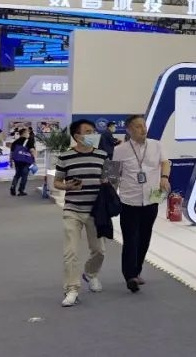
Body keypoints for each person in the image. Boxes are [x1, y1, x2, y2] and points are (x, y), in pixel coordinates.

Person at [54, 119, 108, 307]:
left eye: (93, 131)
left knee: (99, 251)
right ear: (77, 136)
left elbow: (111, 179)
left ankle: (91, 274)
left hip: (96, 211)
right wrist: (67, 186)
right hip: (73, 210)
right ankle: (72, 289)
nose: (93, 135)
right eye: (88, 132)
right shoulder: (65, 157)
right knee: (71, 252)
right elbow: (57, 182)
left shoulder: (102, 155)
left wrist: (108, 182)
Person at [115, 114, 171, 293]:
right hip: (129, 200)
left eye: (144, 125)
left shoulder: (156, 145)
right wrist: (109, 192)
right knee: (130, 238)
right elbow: (112, 174)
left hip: (152, 198)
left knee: (145, 237)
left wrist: (164, 177)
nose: (143, 129)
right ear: (129, 130)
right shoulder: (120, 150)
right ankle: (130, 275)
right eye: (138, 126)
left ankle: (137, 270)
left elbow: (165, 162)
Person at [9, 128, 37, 197]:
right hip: (25, 161)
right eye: (27, 133)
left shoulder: (15, 142)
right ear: (24, 133)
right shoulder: (29, 141)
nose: (28, 134)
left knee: (17, 175)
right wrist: (34, 159)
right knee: (24, 176)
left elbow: (11, 153)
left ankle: (13, 186)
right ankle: (21, 190)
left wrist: (10, 161)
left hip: (17, 161)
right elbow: (32, 150)